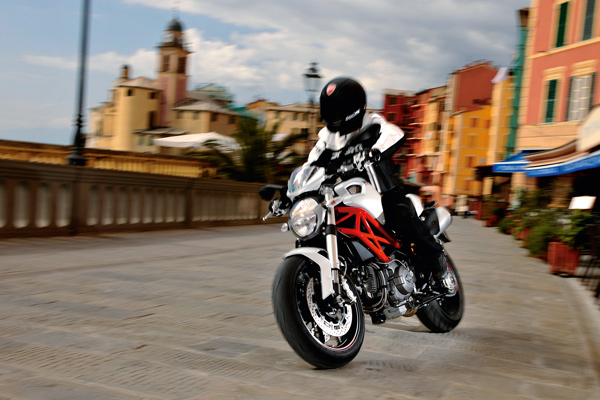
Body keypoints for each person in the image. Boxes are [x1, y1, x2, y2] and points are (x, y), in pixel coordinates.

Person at [308, 76, 447, 280]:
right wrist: (289, 191)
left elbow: (394, 134)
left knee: (398, 215)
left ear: (353, 108)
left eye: (336, 110)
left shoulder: (372, 123)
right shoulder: (327, 138)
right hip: (347, 195)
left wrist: (376, 151)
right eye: (329, 110)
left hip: (382, 191)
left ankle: (435, 257)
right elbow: (311, 164)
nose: (332, 115)